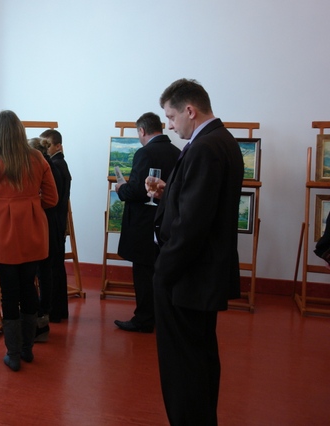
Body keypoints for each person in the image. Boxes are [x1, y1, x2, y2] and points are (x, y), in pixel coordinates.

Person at [146, 78, 244, 425]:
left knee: (183, 367)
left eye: (171, 117)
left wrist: (163, 272)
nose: (170, 127)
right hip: (198, 275)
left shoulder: (205, 147)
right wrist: (167, 193)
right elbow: (198, 204)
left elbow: (192, 226)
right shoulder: (220, 140)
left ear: (190, 110)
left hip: (187, 277)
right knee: (198, 358)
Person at [0, 111, 58, 371]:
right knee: (29, 287)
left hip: (4, 235)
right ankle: (27, 349)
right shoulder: (37, 158)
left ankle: (13, 354)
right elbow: (51, 199)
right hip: (32, 232)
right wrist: (31, 206)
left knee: (9, 293)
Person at [113, 112, 180, 333]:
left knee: (143, 274)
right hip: (167, 223)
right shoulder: (177, 152)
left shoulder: (145, 153)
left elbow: (138, 191)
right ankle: (162, 317)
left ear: (142, 131)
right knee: (162, 273)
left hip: (143, 224)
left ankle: (143, 319)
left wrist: (121, 188)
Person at [28, 137, 63, 342]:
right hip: (51, 226)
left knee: (40, 273)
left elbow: (49, 200)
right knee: (45, 272)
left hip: (43, 226)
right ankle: (43, 318)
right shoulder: (54, 166)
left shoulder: (44, 170)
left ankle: (40, 319)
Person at [40, 129, 72, 323]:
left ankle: (54, 310)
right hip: (58, 222)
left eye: (48, 145)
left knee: (53, 267)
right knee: (57, 266)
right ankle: (59, 310)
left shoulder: (55, 165)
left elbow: (52, 199)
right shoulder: (61, 164)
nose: (45, 149)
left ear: (58, 146)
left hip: (53, 222)